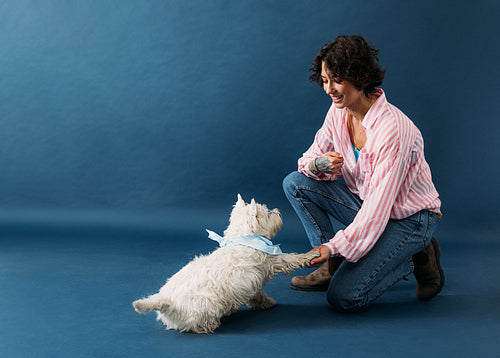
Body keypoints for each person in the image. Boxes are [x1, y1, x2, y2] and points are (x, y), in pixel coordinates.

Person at [282, 35, 444, 312]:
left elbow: (378, 211)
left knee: (343, 298)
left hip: (409, 219)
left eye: (336, 79)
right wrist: (318, 165)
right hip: (368, 207)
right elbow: (305, 161)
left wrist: (333, 246)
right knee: (296, 183)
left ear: (361, 76)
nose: (329, 89)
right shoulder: (338, 111)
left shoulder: (393, 130)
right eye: (324, 80)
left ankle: (414, 256)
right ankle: (329, 267)